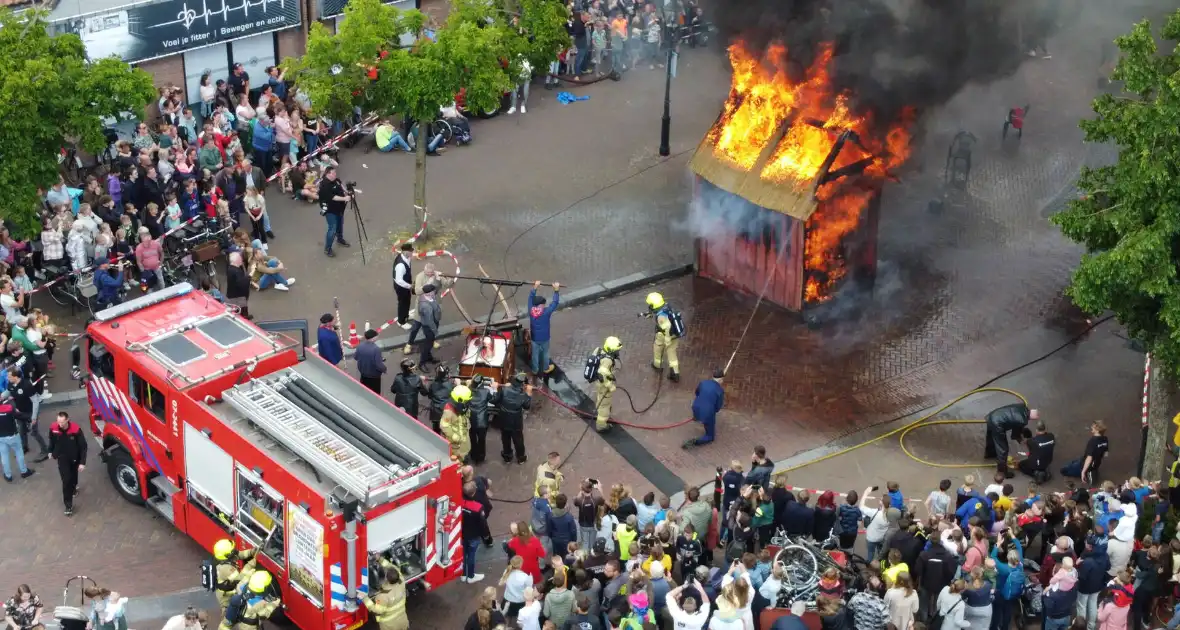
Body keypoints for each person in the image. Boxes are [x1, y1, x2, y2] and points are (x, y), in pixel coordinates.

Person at [984, 403, 1037, 478]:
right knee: (1003, 449)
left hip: (992, 416)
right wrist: (1020, 440)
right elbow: (1015, 433)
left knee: (992, 438)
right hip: (997, 424)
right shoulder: (1022, 420)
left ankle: (990, 454)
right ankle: (1002, 472)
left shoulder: (1022, 406)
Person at [47, 411, 84, 515]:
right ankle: (68, 506)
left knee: (73, 475)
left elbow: (83, 446)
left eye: (62, 422)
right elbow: (51, 440)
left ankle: (73, 487)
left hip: (74, 457)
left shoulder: (75, 429)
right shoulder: (53, 428)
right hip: (62, 457)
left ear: (67, 420)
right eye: (58, 421)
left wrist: (82, 462)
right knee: (66, 480)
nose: (60, 424)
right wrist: (50, 451)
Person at [8, 369, 48, 463]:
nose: (8, 378)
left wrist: (34, 417)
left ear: (16, 377)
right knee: (22, 430)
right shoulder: (11, 384)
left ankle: (45, 451)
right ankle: (24, 447)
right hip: (20, 412)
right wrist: (2, 396)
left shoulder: (27, 385)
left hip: (30, 412)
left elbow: (35, 401)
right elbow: (8, 391)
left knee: (34, 432)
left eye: (9, 376)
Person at [492, 373, 533, 464]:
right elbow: (527, 406)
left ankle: (507, 457)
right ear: (523, 385)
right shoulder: (522, 395)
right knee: (518, 440)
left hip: (504, 420)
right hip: (516, 422)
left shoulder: (504, 390)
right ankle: (521, 458)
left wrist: (496, 389)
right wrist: (529, 394)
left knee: (505, 439)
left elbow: (494, 400)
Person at [211, 538, 259, 610]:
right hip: (226, 596)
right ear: (227, 554)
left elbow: (240, 554)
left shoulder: (224, 558)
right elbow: (240, 579)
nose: (234, 551)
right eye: (232, 550)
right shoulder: (226, 569)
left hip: (229, 589)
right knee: (230, 614)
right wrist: (251, 564)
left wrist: (252, 551)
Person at [645, 292, 682, 381]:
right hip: (675, 335)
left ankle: (657, 365)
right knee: (671, 352)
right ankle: (675, 373)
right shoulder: (666, 306)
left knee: (658, 347)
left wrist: (667, 338)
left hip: (664, 335)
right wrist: (650, 314)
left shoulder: (660, 317)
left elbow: (667, 326)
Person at [528, 281, 560, 379]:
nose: (544, 305)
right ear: (541, 305)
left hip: (534, 338)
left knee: (535, 354)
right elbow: (555, 303)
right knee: (546, 353)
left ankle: (534, 370)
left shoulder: (531, 310)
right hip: (545, 338)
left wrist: (535, 287)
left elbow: (530, 299)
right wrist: (556, 291)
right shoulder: (546, 312)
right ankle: (546, 368)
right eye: (543, 304)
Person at [686, 368, 724, 448]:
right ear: (721, 379)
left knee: (699, 414)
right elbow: (717, 408)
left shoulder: (703, 383)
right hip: (707, 413)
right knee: (710, 437)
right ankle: (696, 441)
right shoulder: (720, 391)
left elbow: (697, 392)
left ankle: (697, 417)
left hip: (695, 407)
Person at [1061, 421, 1109, 486]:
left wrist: (1083, 472)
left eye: (1093, 427)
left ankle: (1087, 473)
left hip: (1085, 464)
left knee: (1064, 471)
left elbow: (1089, 458)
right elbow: (1106, 453)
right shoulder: (1105, 439)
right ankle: (1091, 470)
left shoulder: (1093, 441)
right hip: (1096, 463)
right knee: (1074, 463)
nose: (1091, 427)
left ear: (1097, 430)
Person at [317, 167, 351, 257]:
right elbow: (332, 197)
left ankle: (340, 239)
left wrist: (347, 192)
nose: (335, 174)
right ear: (328, 174)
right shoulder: (324, 185)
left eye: (335, 172)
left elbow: (341, 186)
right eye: (333, 173)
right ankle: (327, 248)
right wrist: (345, 198)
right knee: (332, 229)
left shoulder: (336, 180)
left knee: (340, 224)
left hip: (339, 208)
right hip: (330, 210)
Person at [0, 394, 33, 483]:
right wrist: (31, 417)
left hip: (1, 437)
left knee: (4, 455)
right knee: (19, 452)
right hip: (12, 435)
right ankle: (24, 471)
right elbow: (21, 416)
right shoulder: (9, 408)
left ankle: (8, 475)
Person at [591, 336, 621, 433]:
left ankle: (600, 411)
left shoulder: (600, 351)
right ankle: (601, 425)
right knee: (605, 405)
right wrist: (610, 385)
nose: (618, 353)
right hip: (603, 386)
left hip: (599, 384)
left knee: (601, 399)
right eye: (616, 351)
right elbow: (602, 373)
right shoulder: (608, 361)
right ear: (611, 350)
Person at [461, 482, 489, 583]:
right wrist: (485, 535)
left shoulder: (460, 503)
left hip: (462, 534)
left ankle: (463, 574)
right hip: (474, 535)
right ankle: (471, 576)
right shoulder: (478, 507)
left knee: (463, 554)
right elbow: (483, 524)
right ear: (474, 492)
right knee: (471, 555)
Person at [441, 386, 473, 463]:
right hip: (456, 448)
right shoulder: (449, 411)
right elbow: (444, 426)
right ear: (460, 400)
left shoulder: (462, 407)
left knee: (465, 458)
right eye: (466, 401)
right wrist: (454, 437)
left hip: (464, 444)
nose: (468, 403)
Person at [467, 376, 493, 465]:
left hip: (471, 420)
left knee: (472, 438)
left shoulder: (468, 391)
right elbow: (493, 400)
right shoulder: (486, 392)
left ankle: (474, 456)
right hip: (482, 421)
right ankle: (481, 456)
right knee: (482, 440)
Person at [416, 284, 442, 367]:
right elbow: (429, 321)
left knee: (430, 342)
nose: (435, 292)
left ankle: (428, 357)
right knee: (428, 344)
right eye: (433, 291)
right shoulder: (426, 306)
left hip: (433, 323)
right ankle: (422, 362)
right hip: (429, 327)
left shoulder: (429, 296)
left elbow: (436, 288)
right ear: (429, 293)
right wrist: (435, 331)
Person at [427, 364, 455, 433]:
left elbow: (430, 396)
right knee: (446, 431)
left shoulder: (433, 384)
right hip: (446, 410)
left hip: (435, 411)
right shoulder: (450, 385)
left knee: (436, 431)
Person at [392, 243, 414, 328]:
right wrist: (410, 286)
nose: (412, 253)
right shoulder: (400, 265)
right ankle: (401, 321)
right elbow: (399, 281)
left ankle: (406, 315)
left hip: (405, 284)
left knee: (407, 301)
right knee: (403, 303)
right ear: (405, 252)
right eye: (411, 251)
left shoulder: (406, 258)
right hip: (401, 287)